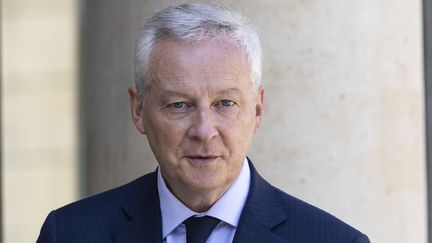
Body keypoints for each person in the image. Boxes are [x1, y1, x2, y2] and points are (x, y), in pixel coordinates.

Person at [37, 3, 370, 243]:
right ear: (139, 110)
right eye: (179, 105)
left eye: (225, 103)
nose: (204, 130)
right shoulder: (68, 233)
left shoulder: (334, 240)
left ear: (256, 109)